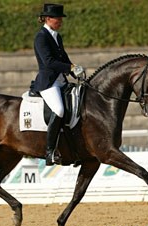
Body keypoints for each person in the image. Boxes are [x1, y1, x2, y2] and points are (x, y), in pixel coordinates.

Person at [31, 3, 84, 166]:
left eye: (61, 18)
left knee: (75, 109)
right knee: (59, 110)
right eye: (58, 18)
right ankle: (49, 151)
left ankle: (74, 150)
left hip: (61, 80)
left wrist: (74, 69)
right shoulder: (41, 37)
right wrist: (69, 67)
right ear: (48, 18)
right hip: (48, 83)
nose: (60, 21)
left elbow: (63, 57)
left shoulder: (56, 36)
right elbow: (49, 62)